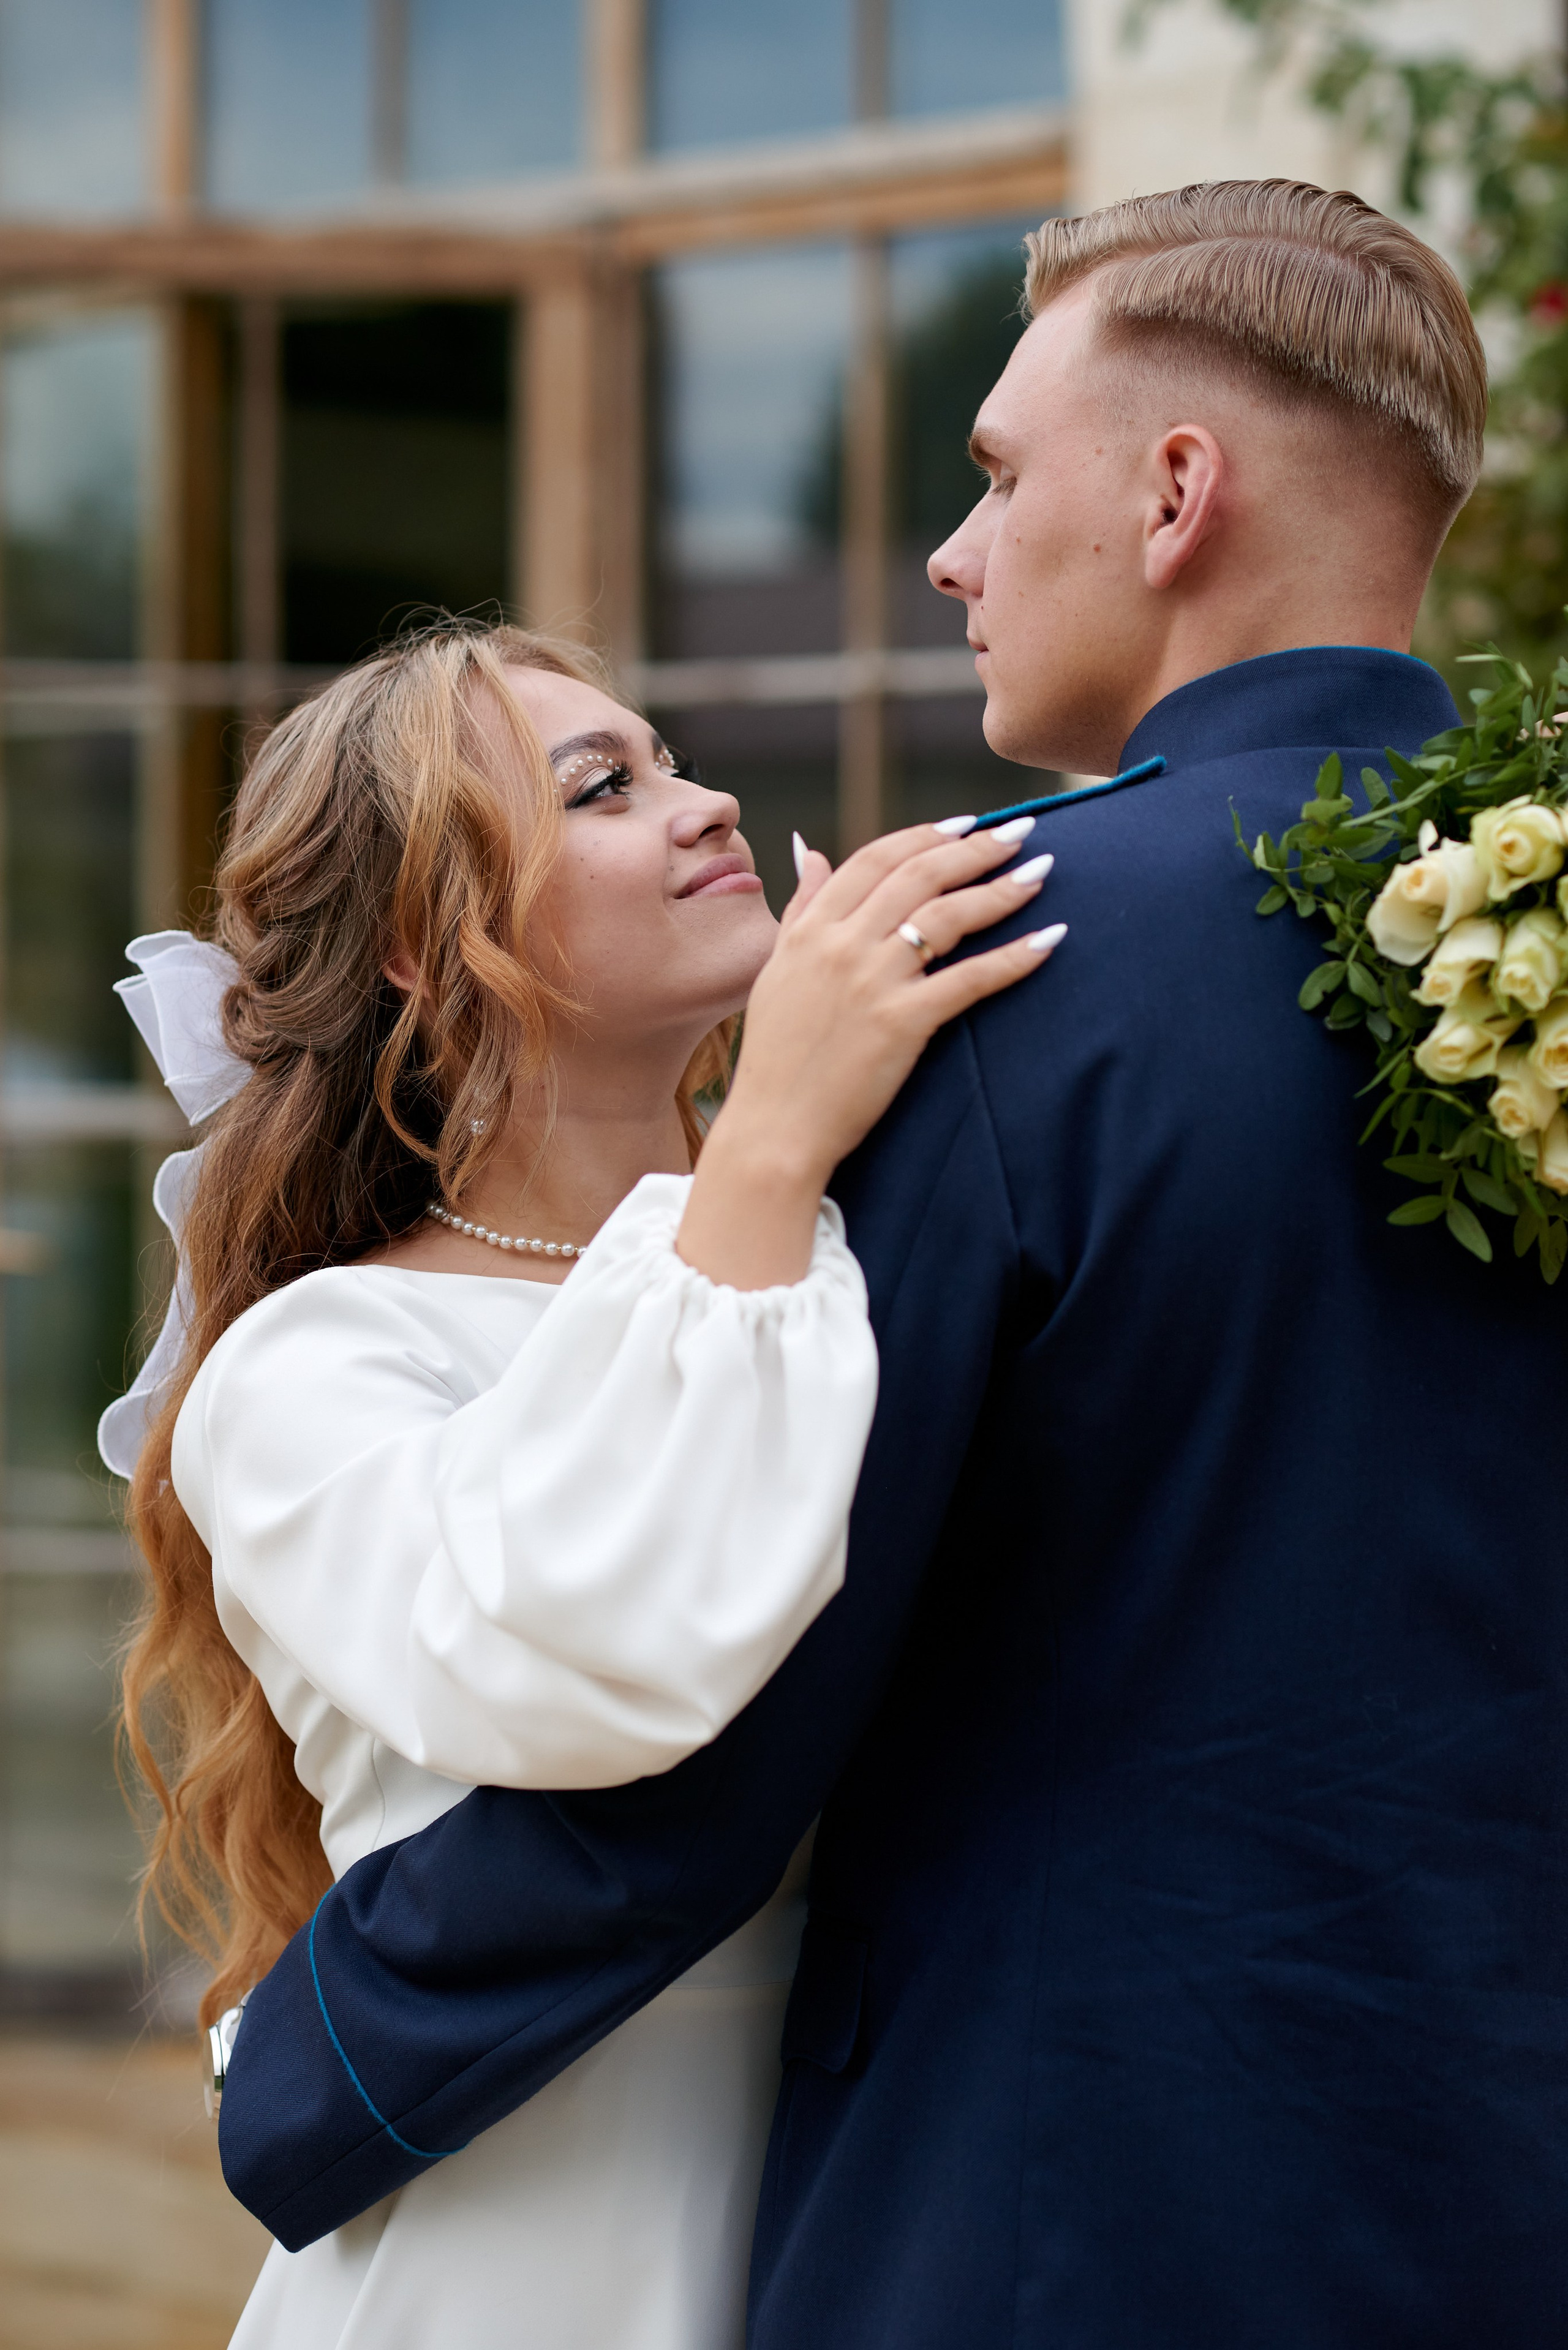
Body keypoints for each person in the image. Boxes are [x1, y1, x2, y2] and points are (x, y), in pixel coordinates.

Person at [221, 182, 1568, 2346]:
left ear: (1177, 494)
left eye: (998, 474)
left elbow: (741, 1715)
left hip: (1056, 2194)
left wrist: (319, 2074)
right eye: (604, 781)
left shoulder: (1003, 969)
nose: (948, 553)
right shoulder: (1542, 937)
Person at [108, 620, 1062, 2350]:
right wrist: (773, 1133)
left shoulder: (853, 1269)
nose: (703, 806)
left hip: (883, 2220)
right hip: (516, 2260)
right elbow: (583, 1655)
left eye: (672, 759)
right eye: (603, 788)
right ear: (416, 943)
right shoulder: (314, 1370)